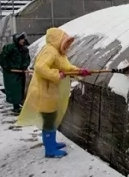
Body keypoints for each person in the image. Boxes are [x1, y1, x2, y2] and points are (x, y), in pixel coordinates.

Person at [16, 27, 91, 158]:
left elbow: (66, 67)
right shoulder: (50, 51)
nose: (67, 46)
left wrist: (79, 71)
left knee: (52, 118)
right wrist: (57, 74)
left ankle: (52, 143)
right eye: (66, 42)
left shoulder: (58, 53)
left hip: (51, 92)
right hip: (44, 91)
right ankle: (50, 149)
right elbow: (40, 67)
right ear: (58, 39)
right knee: (49, 120)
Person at [0, 33, 31, 113]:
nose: (23, 41)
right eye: (21, 39)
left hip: (20, 72)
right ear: (17, 40)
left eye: (23, 39)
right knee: (14, 90)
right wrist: (6, 67)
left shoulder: (24, 49)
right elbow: (2, 58)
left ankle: (19, 104)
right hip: (11, 73)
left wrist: (24, 66)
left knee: (21, 89)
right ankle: (16, 107)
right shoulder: (10, 48)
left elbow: (27, 59)